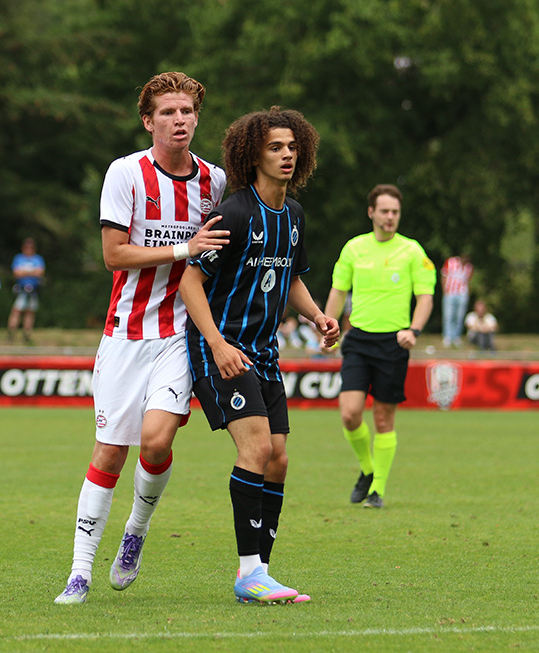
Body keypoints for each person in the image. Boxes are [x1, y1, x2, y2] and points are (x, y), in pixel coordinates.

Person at [54, 71, 228, 605]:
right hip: (125, 334)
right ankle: (80, 571)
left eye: (187, 111)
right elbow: (114, 255)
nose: (180, 120)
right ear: (148, 121)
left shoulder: (214, 182)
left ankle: (136, 530)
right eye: (168, 112)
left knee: (155, 442)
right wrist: (184, 248)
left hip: (179, 334)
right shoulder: (125, 173)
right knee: (109, 453)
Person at [180, 107, 339, 604]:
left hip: (264, 354)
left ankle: (261, 572)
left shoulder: (293, 216)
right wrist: (218, 344)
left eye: (292, 146)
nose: (286, 154)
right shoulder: (233, 213)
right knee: (256, 450)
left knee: (279, 459)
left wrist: (318, 317)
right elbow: (190, 282)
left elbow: (289, 278)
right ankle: (249, 573)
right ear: (253, 155)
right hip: (222, 350)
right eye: (275, 147)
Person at [324, 184, 436, 509]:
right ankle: (368, 469)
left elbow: (425, 298)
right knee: (350, 414)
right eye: (385, 211)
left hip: (393, 342)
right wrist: (328, 327)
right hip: (358, 340)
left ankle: (377, 491)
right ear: (371, 212)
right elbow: (338, 291)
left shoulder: (412, 251)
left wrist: (414, 330)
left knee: (384, 420)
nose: (390, 217)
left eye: (395, 212)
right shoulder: (354, 248)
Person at [8, 238, 45, 343]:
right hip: (21, 288)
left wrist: (24, 272)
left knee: (30, 311)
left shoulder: (38, 259)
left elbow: (40, 273)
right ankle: (11, 332)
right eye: (27, 247)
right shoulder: (18, 258)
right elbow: (16, 273)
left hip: (33, 289)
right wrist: (32, 272)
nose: (29, 249)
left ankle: (27, 334)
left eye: (31, 247)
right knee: (16, 310)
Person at [440, 254, 472, 348]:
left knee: (459, 316)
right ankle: (447, 337)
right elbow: (444, 275)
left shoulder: (469, 267)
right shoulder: (451, 262)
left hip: (462, 293)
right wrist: (444, 289)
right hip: (450, 292)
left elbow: (468, 280)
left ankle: (456, 337)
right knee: (448, 315)